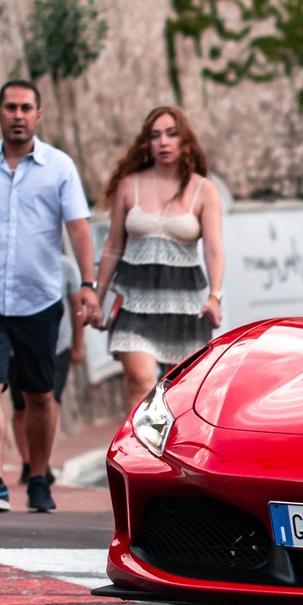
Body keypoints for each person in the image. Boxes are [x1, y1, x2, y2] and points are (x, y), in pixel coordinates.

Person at [0, 79, 98, 514]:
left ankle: (39, 476)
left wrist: (87, 284)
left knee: (40, 395)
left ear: (39, 115)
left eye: (26, 107)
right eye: (10, 107)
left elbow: (78, 228)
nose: (18, 115)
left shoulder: (59, 167)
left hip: (39, 299)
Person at [94, 105, 225, 395]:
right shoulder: (129, 186)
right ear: (147, 143)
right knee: (140, 382)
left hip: (184, 305)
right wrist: (96, 294)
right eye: (155, 136)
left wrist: (215, 296)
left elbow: (214, 250)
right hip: (133, 302)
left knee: (178, 393)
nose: (163, 142)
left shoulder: (203, 190)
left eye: (171, 134)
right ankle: (135, 443)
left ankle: (168, 443)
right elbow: (113, 245)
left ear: (185, 141)